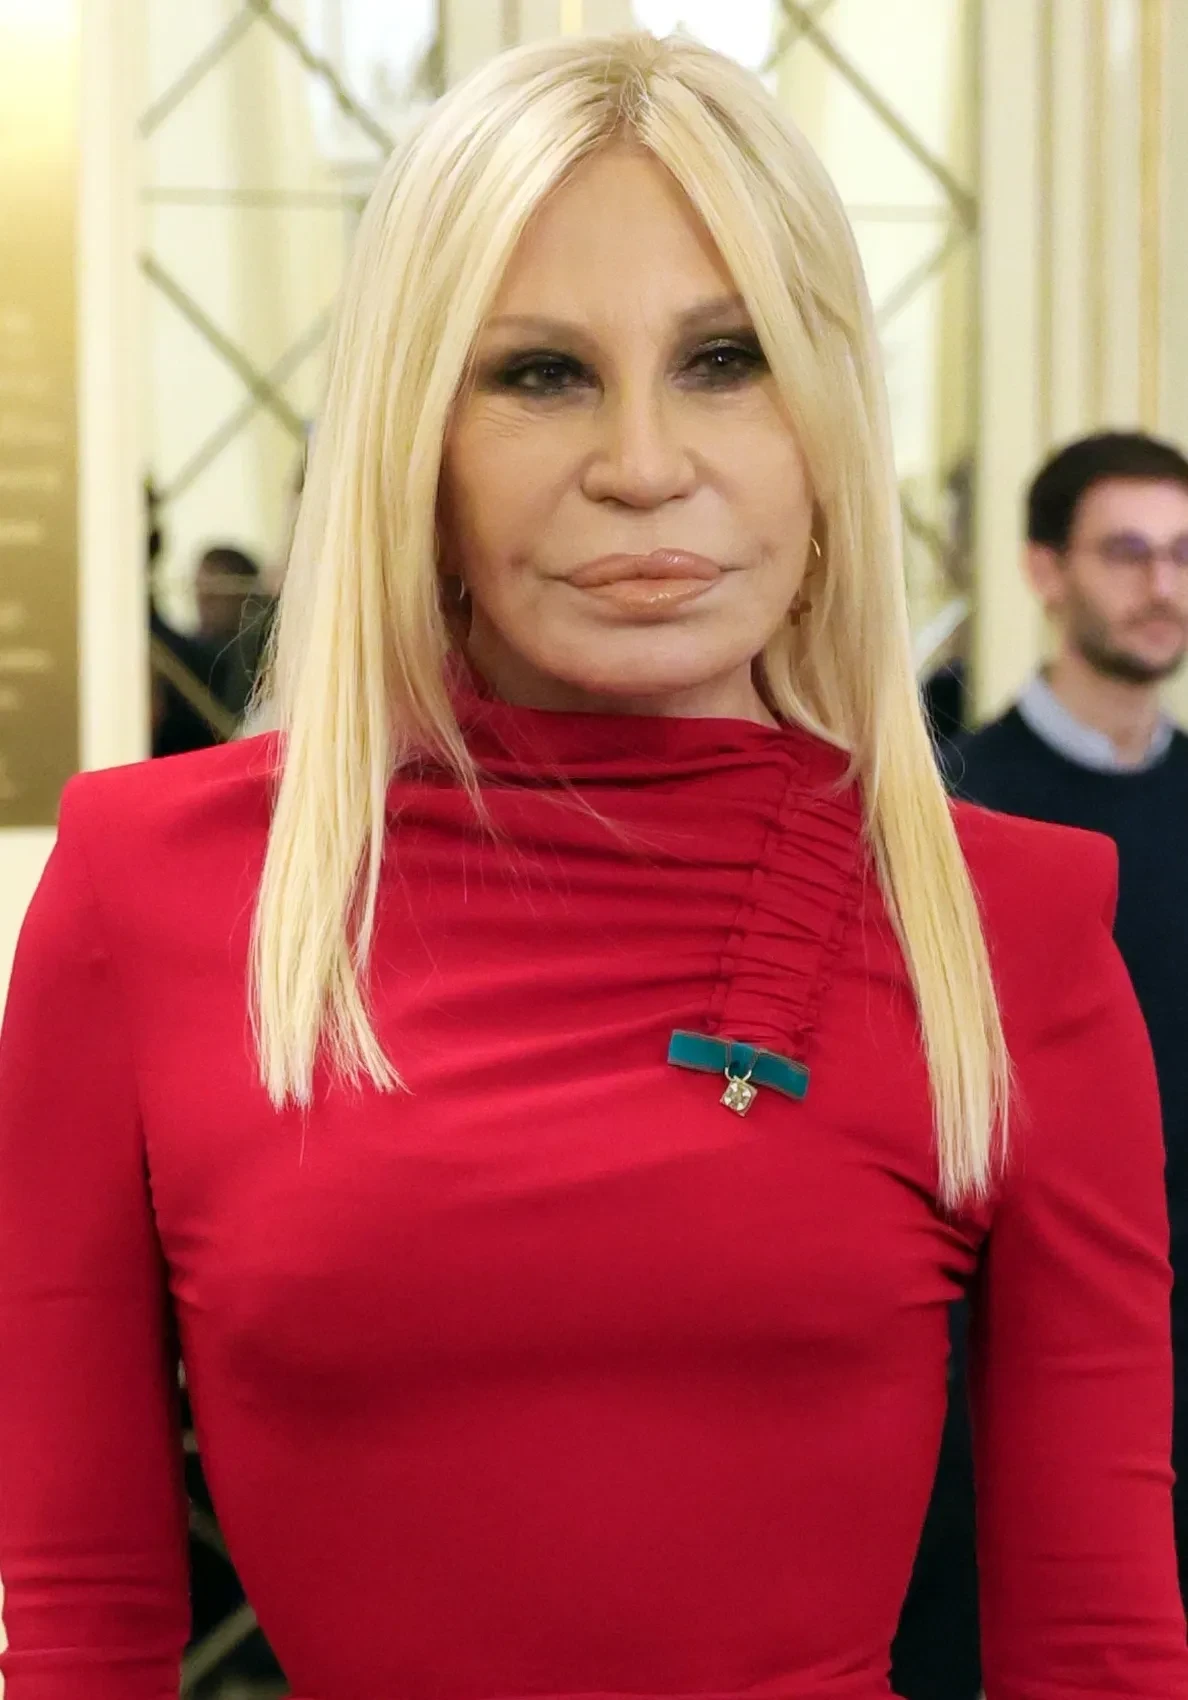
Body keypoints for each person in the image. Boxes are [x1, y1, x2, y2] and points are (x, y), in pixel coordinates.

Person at [1, 34, 1185, 1700]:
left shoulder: (1009, 927)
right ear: (415, 436)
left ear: (826, 423)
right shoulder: (151, 895)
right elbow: (78, 1619)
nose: (642, 462)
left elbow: (1096, 1644)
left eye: (726, 359)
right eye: (542, 373)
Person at [939, 432, 1188, 1619]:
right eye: (1127, 552)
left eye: (1183, 554)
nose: (1161, 584)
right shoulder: (961, 810)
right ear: (1045, 570)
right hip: (1004, 1353)